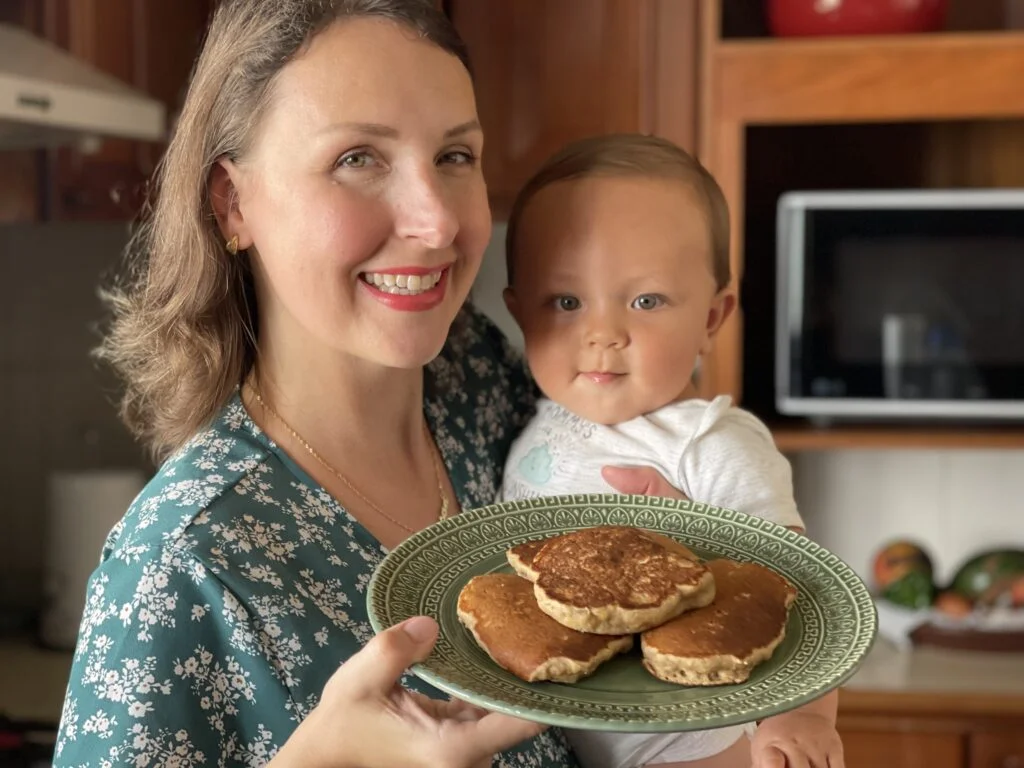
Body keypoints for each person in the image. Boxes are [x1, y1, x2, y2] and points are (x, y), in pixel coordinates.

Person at [51, 2, 661, 766]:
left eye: (455, 157)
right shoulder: (178, 566)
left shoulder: (482, 384)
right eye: (358, 158)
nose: (436, 221)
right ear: (233, 203)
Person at [499, 134, 845, 768]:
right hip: (569, 733)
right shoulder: (539, 417)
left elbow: (796, 588)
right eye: (567, 302)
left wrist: (802, 715)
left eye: (645, 300)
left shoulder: (710, 443)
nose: (603, 333)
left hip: (687, 745)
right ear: (522, 314)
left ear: (712, 318)